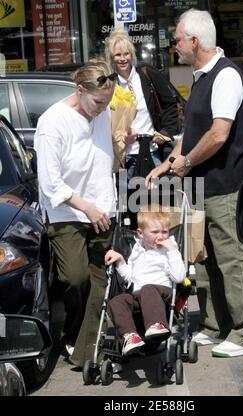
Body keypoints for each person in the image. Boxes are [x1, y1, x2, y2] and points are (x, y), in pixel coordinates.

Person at [146, 9, 243, 358]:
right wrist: (168, 165)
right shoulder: (201, 76)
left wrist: (185, 162)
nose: (174, 47)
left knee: (231, 259)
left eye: (177, 40)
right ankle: (218, 326)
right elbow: (191, 134)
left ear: (195, 41)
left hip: (226, 184)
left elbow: (218, 134)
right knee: (205, 260)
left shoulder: (226, 76)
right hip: (200, 186)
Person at [34, 60, 117, 367]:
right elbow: (50, 182)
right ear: (79, 90)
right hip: (66, 211)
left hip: (103, 206)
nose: (102, 108)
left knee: (99, 281)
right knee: (74, 278)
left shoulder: (103, 110)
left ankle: (87, 349)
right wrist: (86, 207)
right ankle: (72, 330)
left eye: (107, 102)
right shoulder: (52, 122)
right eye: (98, 102)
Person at [104, 205, 185, 356]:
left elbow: (179, 277)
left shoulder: (169, 249)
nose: (161, 236)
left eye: (165, 231)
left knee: (148, 288)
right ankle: (130, 336)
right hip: (139, 295)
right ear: (140, 233)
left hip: (162, 293)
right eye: (155, 232)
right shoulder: (137, 250)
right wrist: (121, 261)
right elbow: (130, 278)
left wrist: (172, 251)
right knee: (116, 301)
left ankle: (157, 324)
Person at [105, 29, 179, 180]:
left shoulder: (147, 75)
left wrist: (165, 133)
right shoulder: (110, 84)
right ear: (112, 58)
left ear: (132, 55)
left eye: (126, 54)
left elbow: (170, 105)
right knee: (128, 202)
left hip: (152, 153)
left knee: (157, 201)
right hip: (123, 158)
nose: (123, 59)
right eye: (118, 55)